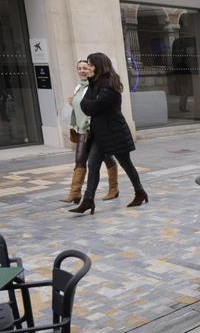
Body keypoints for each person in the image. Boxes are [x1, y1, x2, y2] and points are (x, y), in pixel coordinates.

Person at [70, 53, 148, 214]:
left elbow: (91, 107)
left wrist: (89, 101)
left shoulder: (109, 85)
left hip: (114, 132)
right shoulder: (95, 84)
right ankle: (88, 200)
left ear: (99, 66)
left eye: (90, 65)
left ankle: (140, 192)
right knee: (93, 165)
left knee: (126, 164)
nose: (88, 68)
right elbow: (86, 105)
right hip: (100, 134)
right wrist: (90, 87)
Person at [60, 60, 118, 204]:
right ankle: (75, 193)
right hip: (81, 130)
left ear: (91, 70)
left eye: (85, 68)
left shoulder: (94, 86)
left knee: (106, 158)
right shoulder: (78, 86)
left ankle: (113, 188)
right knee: (80, 159)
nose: (82, 71)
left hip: (95, 130)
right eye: (79, 68)